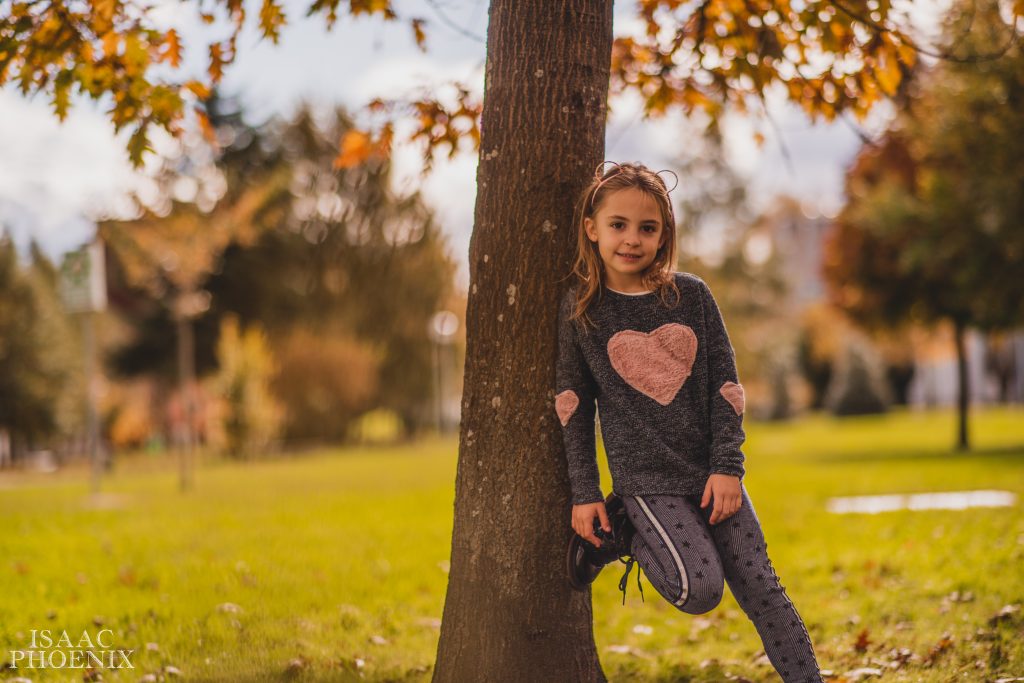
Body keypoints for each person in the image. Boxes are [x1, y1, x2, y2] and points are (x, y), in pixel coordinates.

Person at [556, 161, 824, 683]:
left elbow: (725, 388)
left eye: (648, 228)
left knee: (763, 588)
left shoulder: (692, 297)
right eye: (618, 225)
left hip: (712, 478)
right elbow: (573, 406)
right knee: (697, 590)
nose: (632, 239)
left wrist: (728, 468)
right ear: (592, 228)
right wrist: (586, 493)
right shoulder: (581, 312)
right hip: (647, 487)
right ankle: (627, 535)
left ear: (664, 234)